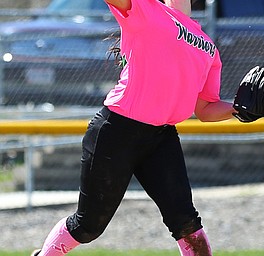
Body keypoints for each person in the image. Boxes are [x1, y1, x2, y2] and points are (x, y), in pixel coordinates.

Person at [31, 0, 237, 255]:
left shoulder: (208, 47)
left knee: (187, 224)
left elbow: (205, 109)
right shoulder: (145, 9)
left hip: (162, 136)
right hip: (117, 131)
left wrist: (239, 108)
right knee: (88, 225)